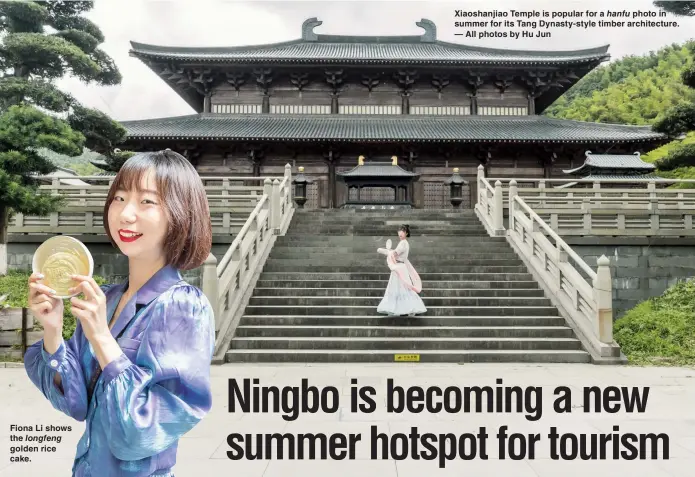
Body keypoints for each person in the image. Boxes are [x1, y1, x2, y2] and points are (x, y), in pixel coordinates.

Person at [24, 149, 214, 477]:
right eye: (120, 198)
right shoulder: (108, 299)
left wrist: (100, 336)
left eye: (147, 202)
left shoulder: (183, 307)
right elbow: (76, 403)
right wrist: (53, 331)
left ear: (181, 214)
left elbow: (143, 432)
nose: (125, 214)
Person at [376, 224, 427, 316]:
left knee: (398, 288)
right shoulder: (403, 243)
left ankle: (399, 308)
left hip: (399, 267)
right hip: (400, 266)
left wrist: (384, 251)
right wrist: (388, 251)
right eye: (399, 231)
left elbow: (394, 254)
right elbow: (395, 253)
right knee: (401, 288)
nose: (400, 233)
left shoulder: (403, 243)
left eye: (403, 231)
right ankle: (403, 308)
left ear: (406, 233)